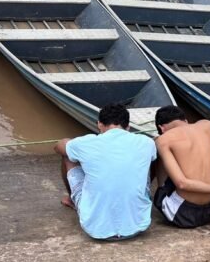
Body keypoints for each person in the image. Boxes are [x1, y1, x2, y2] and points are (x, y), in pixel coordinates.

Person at [54, 103, 157, 241]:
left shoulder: (86, 142)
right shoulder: (146, 142)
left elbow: (58, 147)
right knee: (146, 161)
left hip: (97, 230)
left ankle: (73, 199)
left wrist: (70, 144)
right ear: (128, 127)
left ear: (99, 124)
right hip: (137, 226)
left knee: (68, 156)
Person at [152, 106, 210, 229]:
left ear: (162, 128)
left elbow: (181, 183)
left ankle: (162, 190)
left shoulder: (163, 140)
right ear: (185, 120)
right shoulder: (207, 125)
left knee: (161, 152)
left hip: (183, 214)